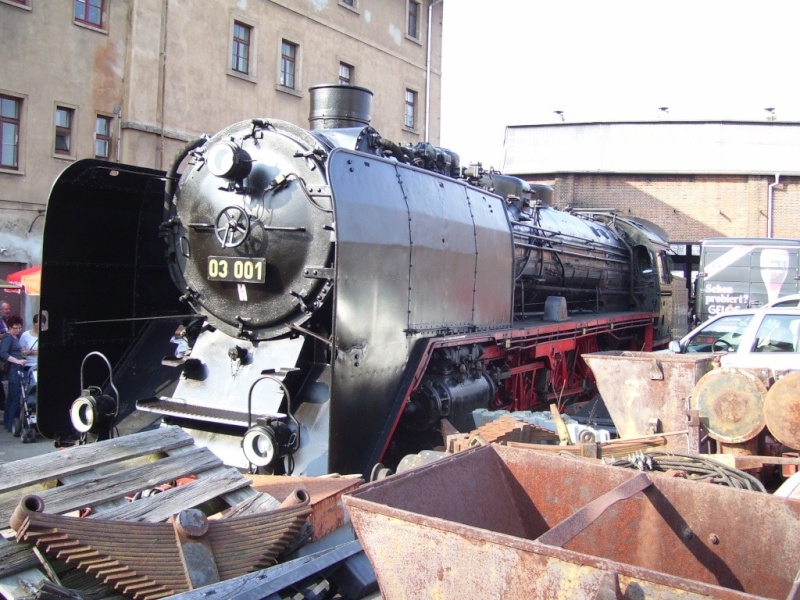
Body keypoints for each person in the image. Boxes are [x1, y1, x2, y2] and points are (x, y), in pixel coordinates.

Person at [0, 316, 27, 432]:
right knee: (15, 396)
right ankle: (12, 423)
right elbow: (3, 353)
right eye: (15, 328)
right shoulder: (8, 337)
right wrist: (18, 361)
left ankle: (8, 422)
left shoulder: (15, 337)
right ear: (10, 327)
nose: (18, 330)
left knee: (12, 397)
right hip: (13, 369)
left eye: (20, 328)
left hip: (17, 367)